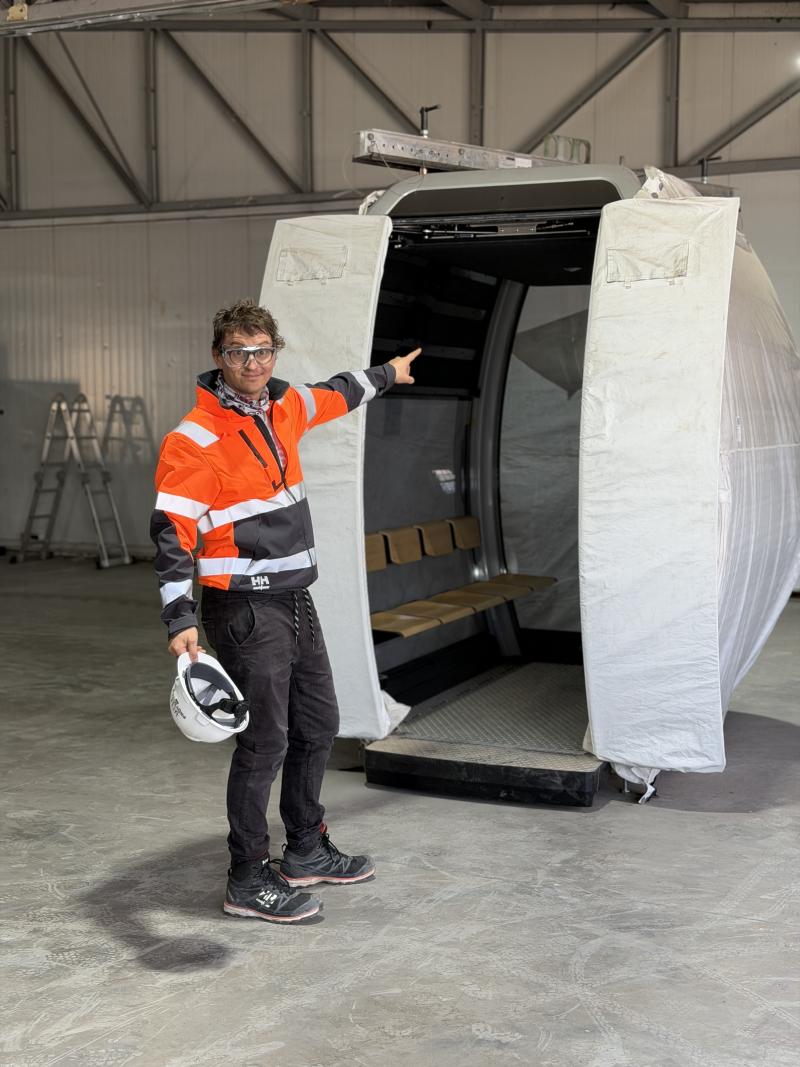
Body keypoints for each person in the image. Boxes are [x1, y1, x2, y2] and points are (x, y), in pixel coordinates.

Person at [151, 299, 420, 924]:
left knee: (318, 724)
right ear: (219, 356)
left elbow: (337, 393)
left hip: (295, 598)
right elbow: (171, 532)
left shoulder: (285, 404)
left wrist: (388, 374)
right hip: (243, 609)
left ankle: (305, 847)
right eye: (240, 352)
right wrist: (179, 617)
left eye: (263, 350)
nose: (253, 362)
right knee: (263, 743)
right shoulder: (194, 439)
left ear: (275, 352)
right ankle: (247, 876)